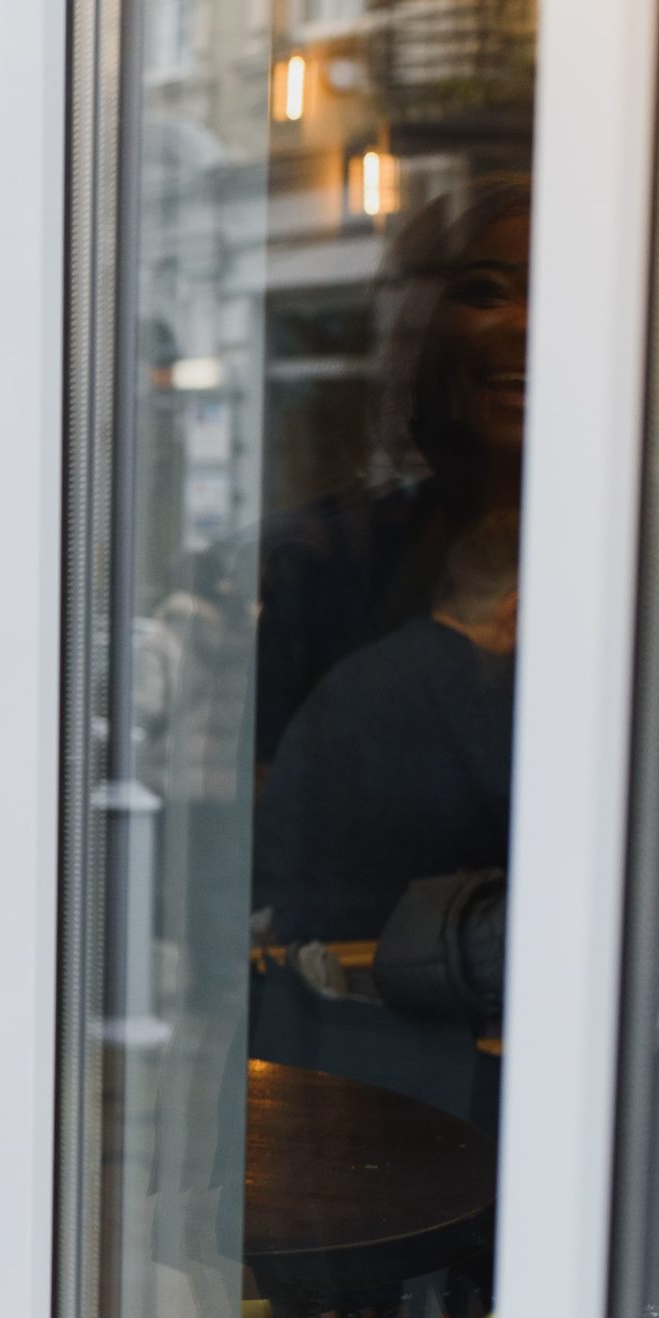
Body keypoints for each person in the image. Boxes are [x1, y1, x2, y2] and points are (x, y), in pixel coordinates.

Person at [255, 176, 530, 765]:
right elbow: (273, 811)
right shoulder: (323, 563)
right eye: (485, 292)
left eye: (565, 292)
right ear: (422, 333)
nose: (525, 325)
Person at [253, 507, 518, 946]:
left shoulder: (376, 673)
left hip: (308, 953)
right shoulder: (475, 694)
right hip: (372, 971)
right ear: (516, 611)